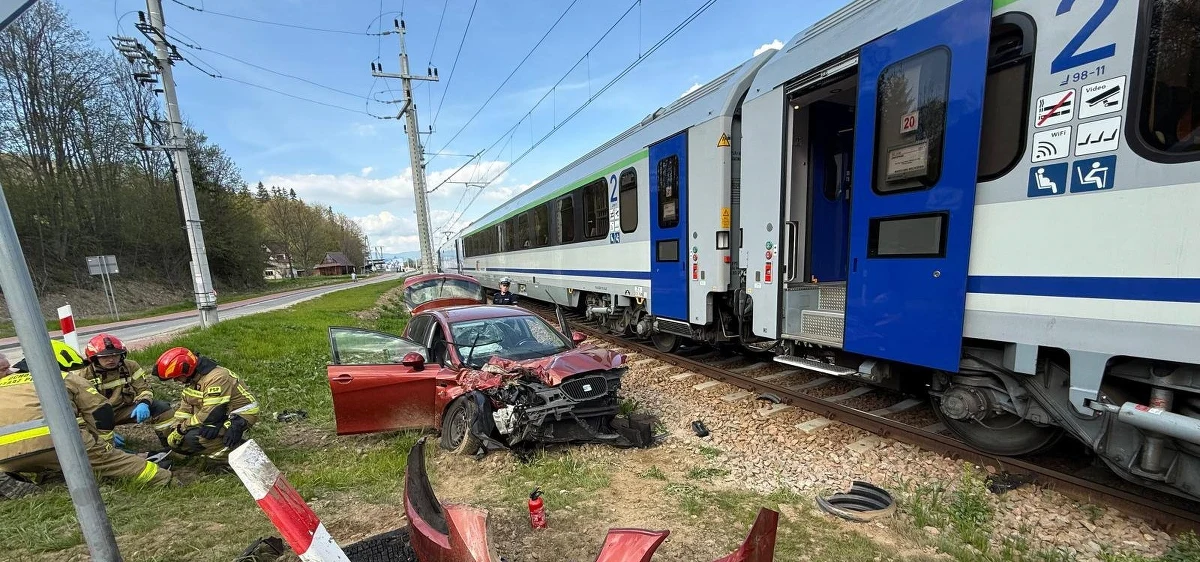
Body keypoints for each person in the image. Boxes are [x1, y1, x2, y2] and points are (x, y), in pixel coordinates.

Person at [0, 342, 173, 498]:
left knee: (48, 462)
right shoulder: (66, 378)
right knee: (111, 461)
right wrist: (105, 444)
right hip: (55, 441)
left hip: (5, 456)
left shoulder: (5, 384)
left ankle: (48, 476)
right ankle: (164, 478)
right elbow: (100, 411)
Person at [153, 347, 259, 464]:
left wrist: (182, 428)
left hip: (239, 416)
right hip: (218, 414)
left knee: (196, 438)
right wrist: (176, 427)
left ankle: (248, 458)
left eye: (177, 377)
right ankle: (215, 450)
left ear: (186, 370)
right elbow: (185, 408)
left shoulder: (217, 378)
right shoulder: (193, 380)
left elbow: (209, 413)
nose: (176, 380)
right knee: (180, 440)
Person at [79, 333, 176, 446]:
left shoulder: (131, 366)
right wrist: (98, 432)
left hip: (123, 410)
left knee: (161, 408)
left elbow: (144, 388)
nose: (111, 359)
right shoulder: (83, 375)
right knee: (103, 445)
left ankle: (172, 444)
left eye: (115, 355)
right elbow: (80, 408)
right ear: (94, 358)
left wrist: (143, 403)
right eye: (105, 357)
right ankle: (108, 450)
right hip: (97, 416)